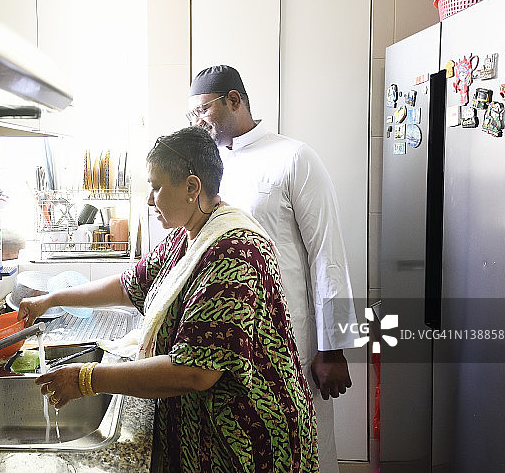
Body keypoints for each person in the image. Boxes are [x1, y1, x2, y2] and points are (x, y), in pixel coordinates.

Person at [20, 127, 318, 472]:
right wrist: (50, 299)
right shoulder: (187, 235)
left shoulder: (233, 252)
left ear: (192, 187)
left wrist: (86, 379)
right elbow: (127, 285)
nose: (149, 199)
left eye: (156, 186)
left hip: (249, 440)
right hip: (208, 437)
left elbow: (195, 372)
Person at [187, 65, 360, 473]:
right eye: (191, 115)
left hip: (295, 340)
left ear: (235, 101)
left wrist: (332, 348)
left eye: (203, 111)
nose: (198, 123)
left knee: (307, 448)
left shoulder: (294, 157)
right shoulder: (214, 172)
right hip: (237, 343)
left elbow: (327, 253)